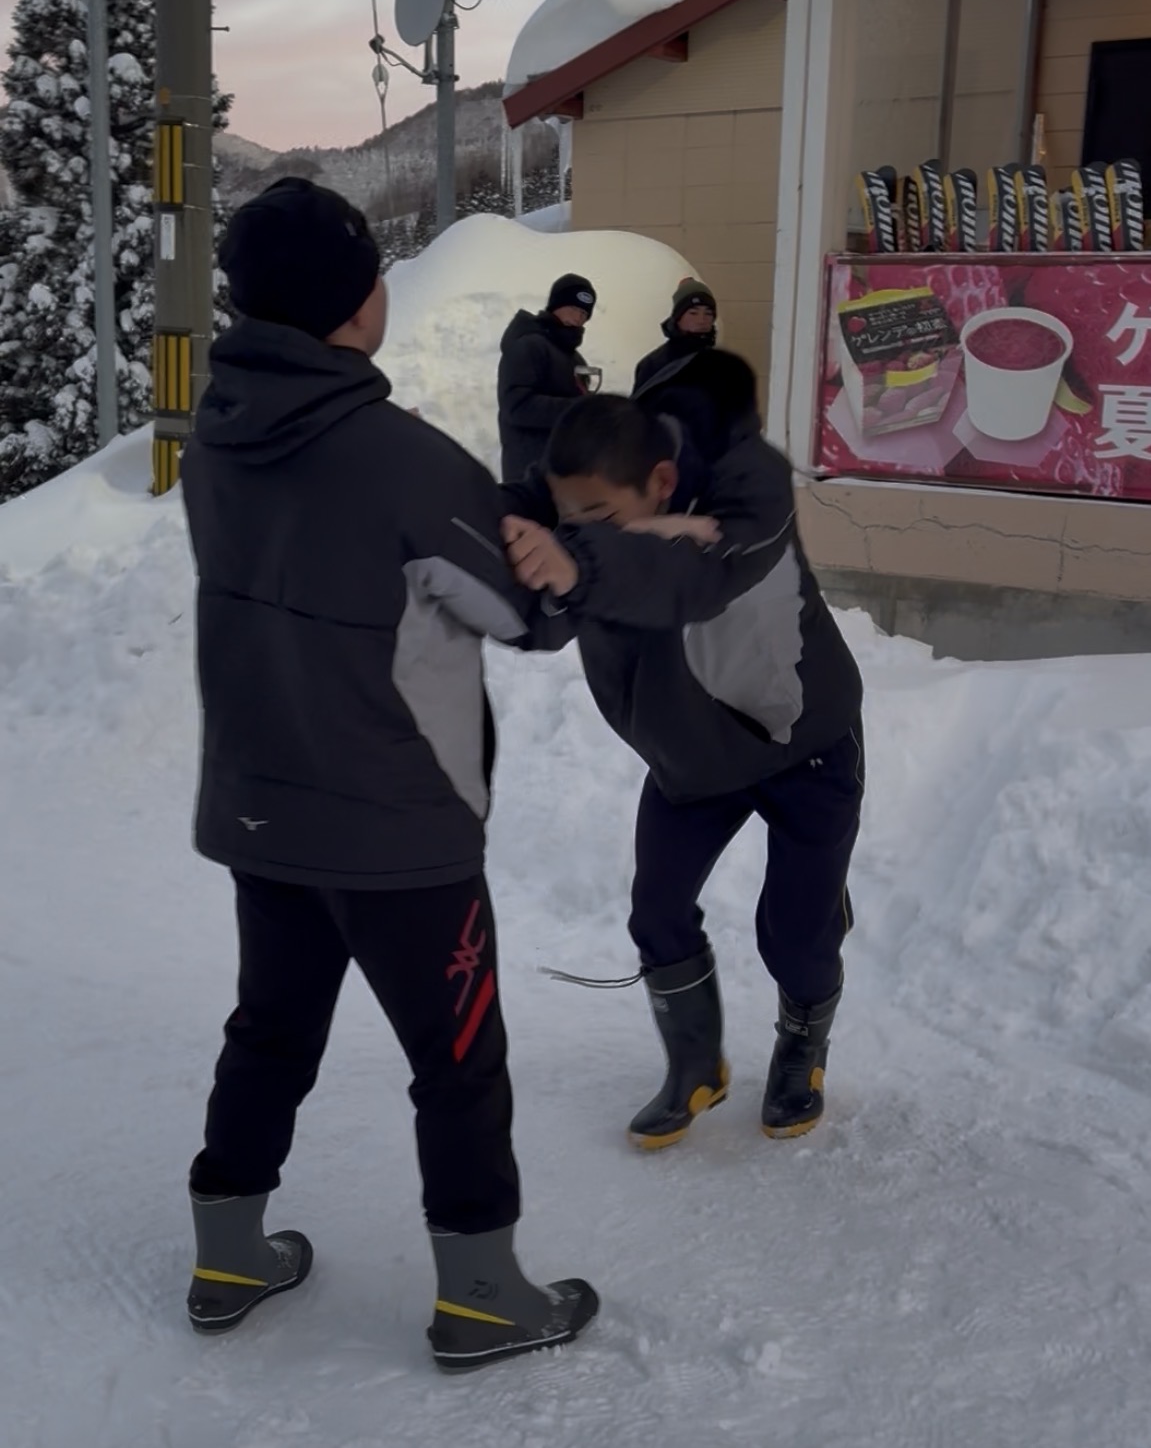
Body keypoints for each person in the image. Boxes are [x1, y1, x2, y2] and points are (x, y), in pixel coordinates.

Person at [179, 177, 597, 1370]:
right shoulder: (401, 459)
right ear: (355, 303)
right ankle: (482, 1296)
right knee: (458, 1064)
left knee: (269, 1031)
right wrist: (565, 559)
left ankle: (227, 1253)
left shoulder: (214, 436)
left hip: (262, 809)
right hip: (397, 829)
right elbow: (521, 611)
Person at [501, 351, 864, 1149]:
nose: (578, 528)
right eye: (569, 516)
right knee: (658, 913)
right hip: (693, 756)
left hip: (802, 742)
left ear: (662, 481)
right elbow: (540, 586)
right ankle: (696, 1065)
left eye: (598, 516)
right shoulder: (591, 486)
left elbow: (694, 578)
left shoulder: (750, 485)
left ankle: (802, 1051)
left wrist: (580, 558)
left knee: (794, 933)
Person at [497, 273, 597, 482]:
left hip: (565, 474)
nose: (578, 318)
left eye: (584, 313)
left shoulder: (575, 359)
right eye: (573, 308)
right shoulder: (528, 345)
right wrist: (578, 409)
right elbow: (517, 407)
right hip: (530, 475)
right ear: (556, 305)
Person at [632, 277, 718, 396]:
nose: (701, 320)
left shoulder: (721, 365)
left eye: (708, 313)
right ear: (678, 318)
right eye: (693, 313)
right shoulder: (653, 364)